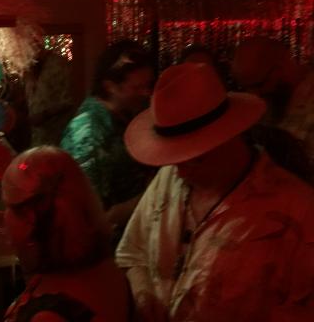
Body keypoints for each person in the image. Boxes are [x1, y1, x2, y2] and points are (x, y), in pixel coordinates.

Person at [116, 62, 314, 321]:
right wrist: (143, 293)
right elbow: (132, 253)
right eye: (173, 158)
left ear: (228, 136)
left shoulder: (297, 210)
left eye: (194, 158)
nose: (180, 172)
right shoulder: (170, 177)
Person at [0, 146, 130, 322]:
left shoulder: (49, 316)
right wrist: (22, 245)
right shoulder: (105, 265)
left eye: (8, 206)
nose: (3, 215)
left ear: (30, 218)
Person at [60, 40, 156, 243]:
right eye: (137, 87)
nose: (146, 93)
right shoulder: (88, 132)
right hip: (109, 249)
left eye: (148, 85)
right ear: (110, 86)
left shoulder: (127, 115)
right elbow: (93, 217)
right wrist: (156, 193)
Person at [232, 36, 314, 181]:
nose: (254, 94)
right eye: (245, 88)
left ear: (279, 69)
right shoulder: (268, 102)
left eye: (258, 85)